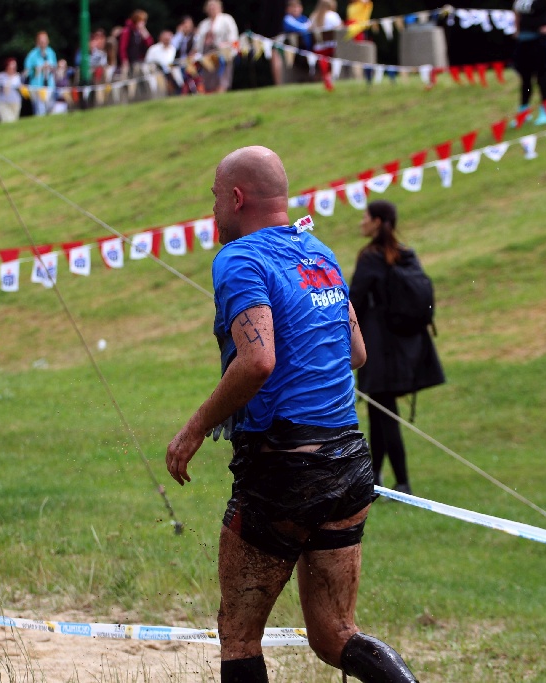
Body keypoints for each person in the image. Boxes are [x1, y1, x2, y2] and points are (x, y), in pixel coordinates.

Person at [165, 146, 420, 683]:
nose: (212, 211)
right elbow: (356, 353)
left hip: (283, 468)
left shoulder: (239, 260)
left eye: (214, 198)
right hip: (349, 463)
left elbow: (257, 361)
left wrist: (194, 428)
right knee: (335, 635)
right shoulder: (320, 254)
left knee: (238, 634)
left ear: (236, 198)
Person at [349, 201, 445, 495]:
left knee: (385, 414)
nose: (361, 222)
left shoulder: (370, 258)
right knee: (381, 413)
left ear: (377, 221)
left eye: (365, 217)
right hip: (404, 347)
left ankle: (401, 482)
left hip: (379, 348)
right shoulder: (405, 254)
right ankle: (375, 478)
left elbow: (354, 300)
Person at [194, 0, 239, 93]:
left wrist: (229, 47)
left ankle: (221, 92)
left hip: (223, 51)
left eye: (214, 6)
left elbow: (233, 36)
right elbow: (198, 41)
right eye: (209, 7)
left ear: (220, 7)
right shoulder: (204, 24)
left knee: (222, 76)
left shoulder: (227, 19)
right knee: (209, 77)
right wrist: (196, 53)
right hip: (207, 54)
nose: (212, 8)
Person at [24, 31, 58, 116]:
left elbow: (55, 69)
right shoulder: (32, 55)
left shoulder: (51, 53)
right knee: (40, 111)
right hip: (37, 87)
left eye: (45, 40)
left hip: (49, 85)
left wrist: (50, 67)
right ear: (38, 42)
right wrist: (39, 68)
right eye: (41, 41)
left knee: (50, 109)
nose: (43, 43)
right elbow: (26, 72)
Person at [119, 9, 154, 84]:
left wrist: (144, 32)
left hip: (139, 60)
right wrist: (124, 60)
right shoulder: (127, 31)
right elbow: (123, 48)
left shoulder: (140, 32)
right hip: (129, 61)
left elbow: (150, 45)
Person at [0, 58, 23, 123]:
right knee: (6, 120)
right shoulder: (0, 76)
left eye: (15, 66)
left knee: (14, 121)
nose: (13, 67)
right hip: (3, 102)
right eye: (12, 65)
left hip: (15, 102)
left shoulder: (17, 77)